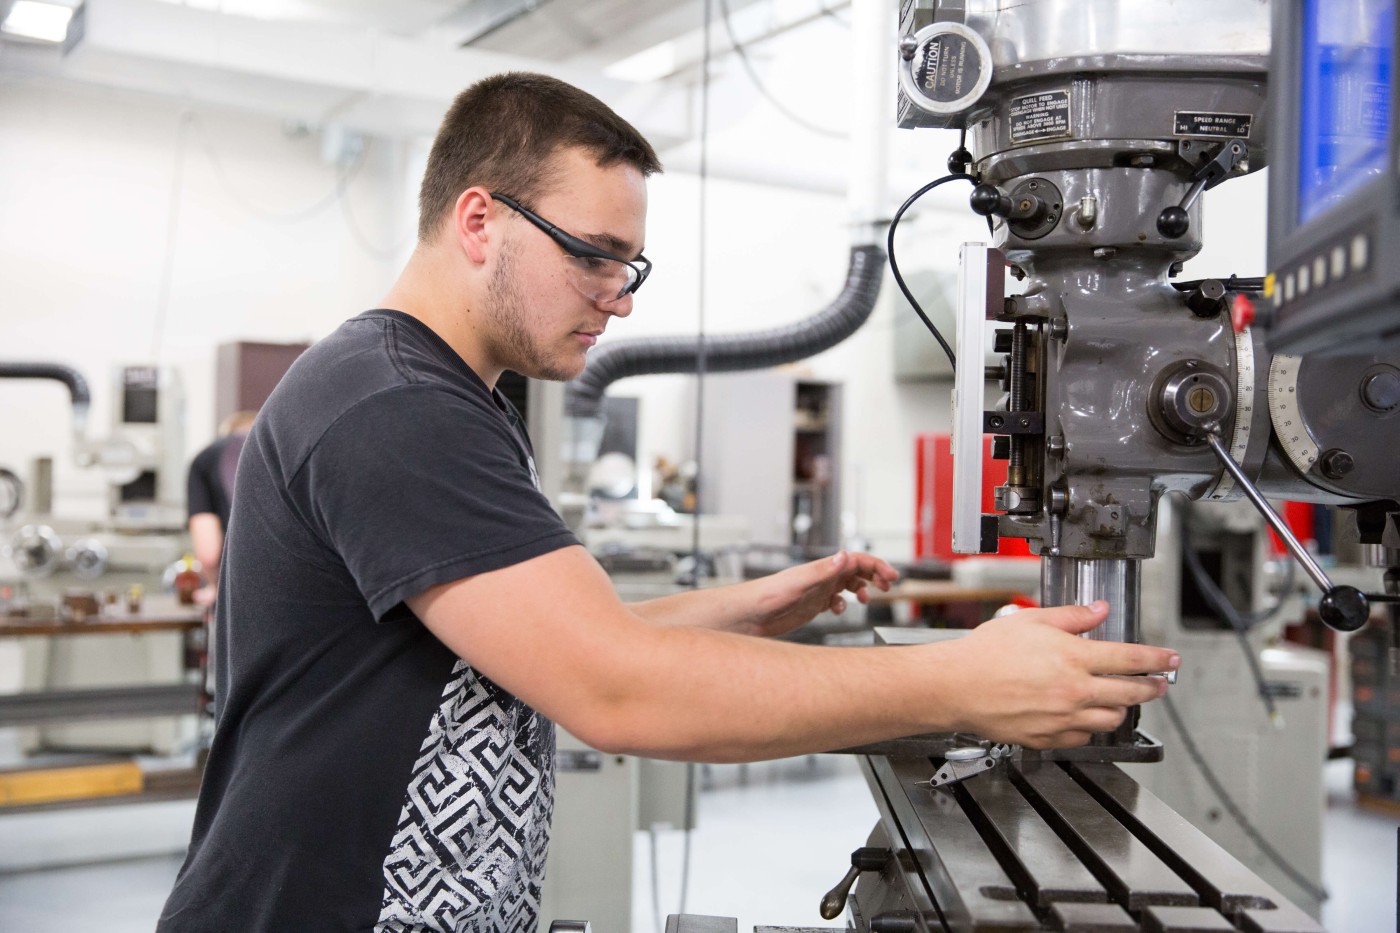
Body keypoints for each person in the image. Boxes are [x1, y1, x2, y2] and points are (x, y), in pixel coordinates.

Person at [158, 73, 1178, 933]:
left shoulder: (442, 394)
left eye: (627, 262)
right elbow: (616, 691)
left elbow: (531, 641)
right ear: (479, 221)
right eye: (592, 253)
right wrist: (961, 681)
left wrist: (754, 605)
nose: (620, 294)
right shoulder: (395, 406)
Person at [185, 409, 256, 603]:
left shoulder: (207, 458)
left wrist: (215, 588)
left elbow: (208, 554)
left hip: (239, 593)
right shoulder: (286, 452)